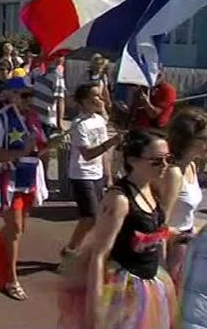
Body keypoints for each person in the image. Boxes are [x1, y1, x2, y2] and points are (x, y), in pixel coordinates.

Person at [58, 130, 176, 329]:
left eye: (168, 159)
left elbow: (154, 233)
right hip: (124, 287)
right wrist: (94, 307)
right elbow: (99, 254)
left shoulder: (153, 188)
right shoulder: (119, 199)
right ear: (133, 160)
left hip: (151, 281)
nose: (164, 166)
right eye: (156, 161)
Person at [0, 77, 56, 300]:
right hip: (10, 180)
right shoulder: (0, 119)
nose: (29, 100)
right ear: (11, 96)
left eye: (31, 95)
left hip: (29, 180)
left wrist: (52, 146)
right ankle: (10, 278)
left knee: (18, 229)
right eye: (24, 95)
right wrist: (22, 152)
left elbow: (38, 150)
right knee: (15, 229)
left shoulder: (33, 119)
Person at [59, 83, 122, 270]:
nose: (101, 99)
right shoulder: (79, 125)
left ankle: (81, 251)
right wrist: (112, 141)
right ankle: (71, 251)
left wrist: (108, 175)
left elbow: (104, 154)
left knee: (98, 218)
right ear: (85, 101)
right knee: (90, 217)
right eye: (96, 96)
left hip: (97, 174)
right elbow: (87, 154)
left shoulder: (100, 120)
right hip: (81, 174)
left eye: (101, 95)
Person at [157, 107, 207, 286]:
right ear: (187, 139)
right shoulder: (174, 173)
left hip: (186, 244)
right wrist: (161, 270)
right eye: (204, 139)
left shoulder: (192, 167)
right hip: (172, 250)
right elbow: (160, 224)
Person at [32, 54, 67, 136]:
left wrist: (60, 123)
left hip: (46, 120)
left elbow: (60, 100)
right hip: (34, 118)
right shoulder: (38, 72)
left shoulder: (57, 77)